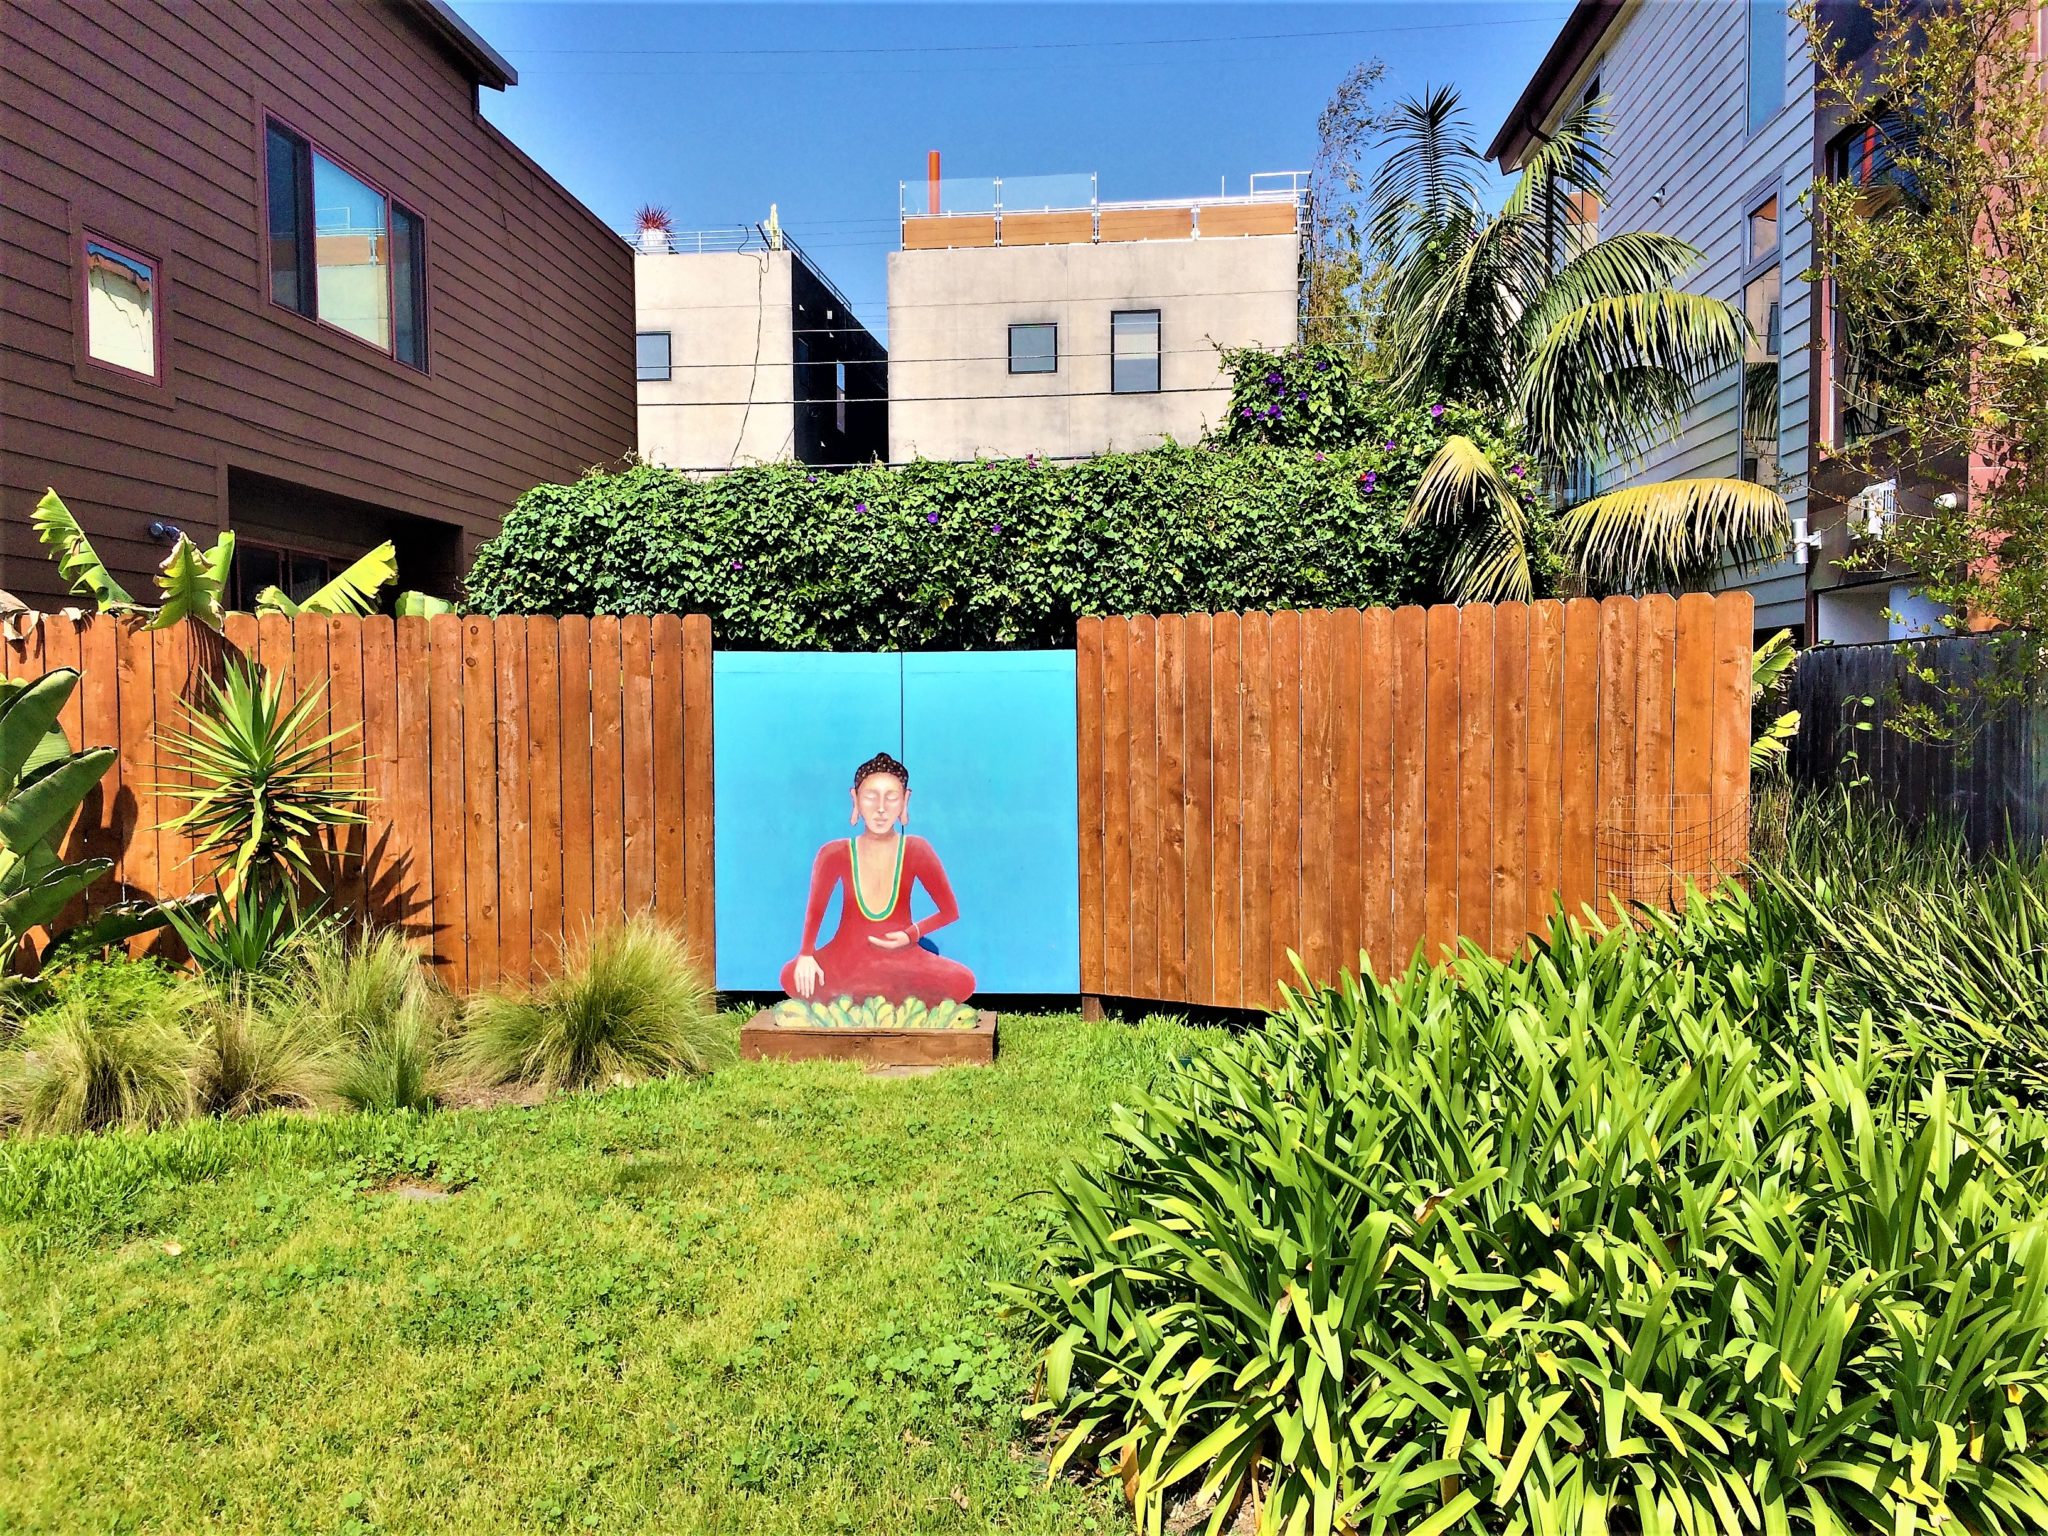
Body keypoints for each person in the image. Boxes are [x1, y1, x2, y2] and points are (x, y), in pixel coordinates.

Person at [779, 752, 976, 1005]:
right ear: (856, 799)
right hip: (846, 960)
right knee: (791, 975)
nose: (881, 808)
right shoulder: (833, 853)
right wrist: (806, 954)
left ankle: (862, 996)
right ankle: (879, 996)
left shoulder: (916, 850)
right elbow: (815, 911)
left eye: (891, 797)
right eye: (871, 797)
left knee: (963, 980)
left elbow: (950, 911)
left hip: (901, 962)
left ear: (905, 801)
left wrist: (910, 935)